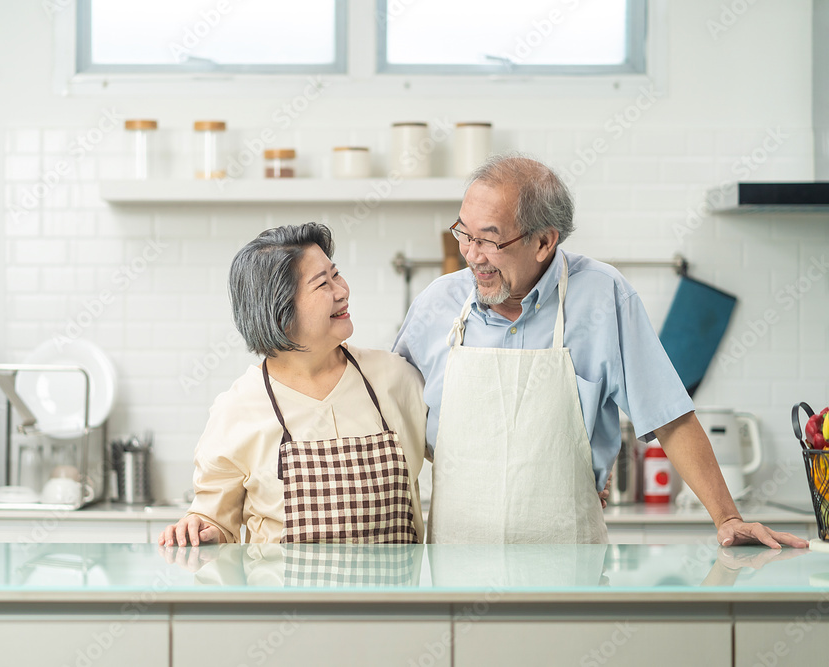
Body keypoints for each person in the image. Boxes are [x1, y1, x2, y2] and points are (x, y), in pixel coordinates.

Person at [394, 154, 807, 548]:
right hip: (456, 568)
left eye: (488, 240)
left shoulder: (603, 296)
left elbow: (669, 417)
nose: (471, 254)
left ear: (543, 242)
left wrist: (728, 518)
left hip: (569, 566)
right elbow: (391, 413)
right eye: (464, 233)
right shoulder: (438, 303)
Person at [160, 223, 428, 546]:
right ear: (281, 312)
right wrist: (200, 530)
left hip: (396, 599)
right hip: (287, 600)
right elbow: (214, 521)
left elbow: (456, 457)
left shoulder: (396, 379)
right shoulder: (237, 410)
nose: (342, 290)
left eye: (336, 274)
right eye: (322, 284)